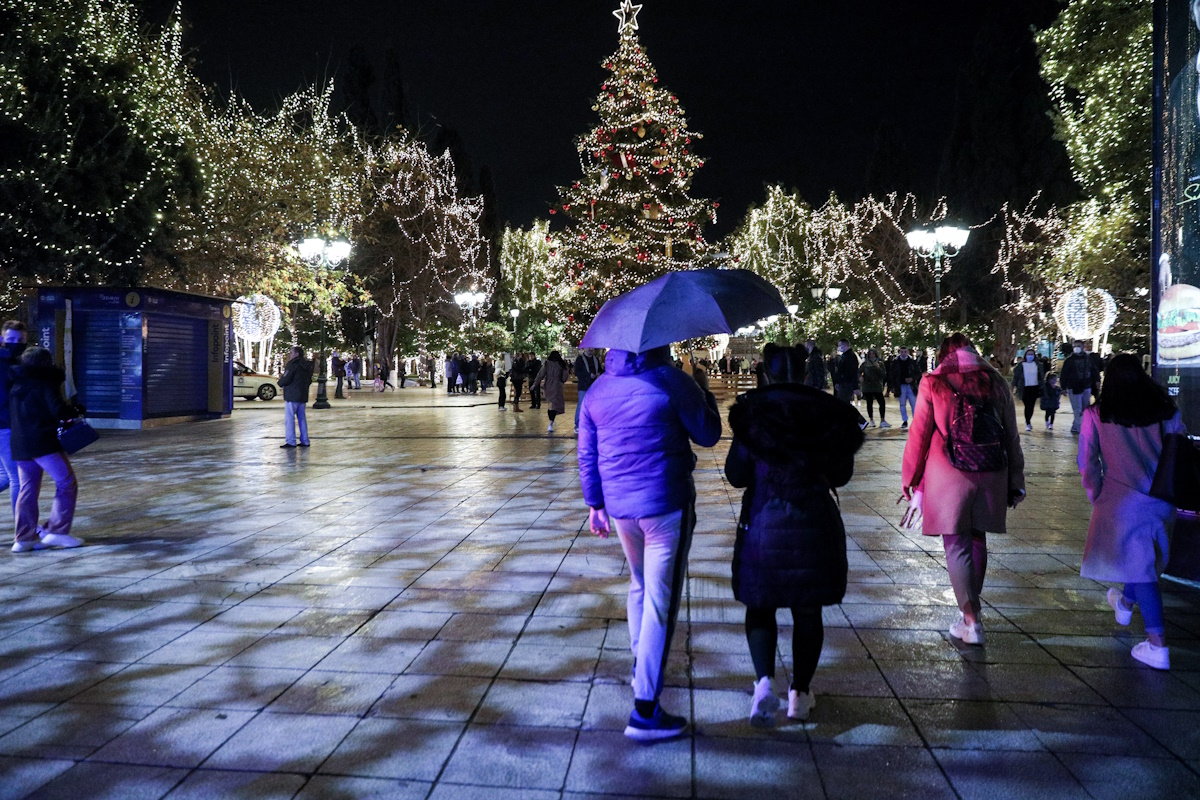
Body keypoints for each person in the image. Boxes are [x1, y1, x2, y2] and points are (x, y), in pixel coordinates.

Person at [578, 346, 721, 741]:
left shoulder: (597, 390)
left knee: (639, 584)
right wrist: (702, 388)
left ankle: (643, 659)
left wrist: (595, 505)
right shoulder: (672, 381)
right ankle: (645, 709)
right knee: (661, 597)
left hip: (621, 506)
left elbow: (586, 452)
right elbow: (709, 433)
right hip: (665, 504)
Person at [725, 345, 864, 726]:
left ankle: (764, 685)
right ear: (805, 374)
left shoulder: (753, 415)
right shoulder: (824, 414)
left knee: (761, 604)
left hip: (764, 526)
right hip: (813, 523)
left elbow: (736, 475)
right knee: (807, 609)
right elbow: (841, 474)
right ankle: (800, 694)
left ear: (766, 374)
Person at [901, 333, 1025, 645]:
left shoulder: (934, 381)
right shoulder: (996, 381)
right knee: (977, 539)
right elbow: (1011, 435)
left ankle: (972, 620)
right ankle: (970, 613)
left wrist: (912, 480)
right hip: (992, 469)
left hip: (950, 472)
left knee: (956, 544)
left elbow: (920, 433)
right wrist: (1016, 479)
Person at [1078, 354, 1187, 670]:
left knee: (1143, 572)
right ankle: (1124, 604)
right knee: (1143, 562)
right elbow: (1179, 451)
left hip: (1121, 504)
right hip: (1162, 501)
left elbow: (1087, 462)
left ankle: (1157, 646)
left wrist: (1096, 494)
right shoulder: (1166, 412)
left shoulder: (1097, 414)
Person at [8, 347, 83, 553]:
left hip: (20, 444)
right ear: (46, 363)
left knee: (27, 489)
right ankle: (58, 531)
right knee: (67, 483)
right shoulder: (46, 382)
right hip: (42, 443)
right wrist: (74, 413)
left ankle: (24, 538)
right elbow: (58, 410)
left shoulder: (16, 384)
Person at [0, 322, 28, 512]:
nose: (16, 343)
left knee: (4, 477)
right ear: (2, 339)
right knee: (17, 478)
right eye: (11, 339)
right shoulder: (6, 364)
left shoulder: (17, 362)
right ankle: (23, 530)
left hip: (7, 424)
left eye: (20, 339)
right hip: (5, 425)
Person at [277, 347, 313, 447]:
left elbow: (286, 378)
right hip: (302, 394)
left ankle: (291, 441)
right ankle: (305, 440)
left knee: (289, 419)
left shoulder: (293, 364)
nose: (290, 354)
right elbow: (309, 380)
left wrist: (280, 382)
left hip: (292, 395)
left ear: (297, 354)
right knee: (302, 418)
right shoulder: (307, 365)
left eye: (291, 352)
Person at [1061, 340, 1097, 435]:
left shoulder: (1088, 359)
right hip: (1074, 387)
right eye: (1075, 346)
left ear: (1082, 346)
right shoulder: (1069, 360)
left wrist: (1096, 382)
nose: (1076, 347)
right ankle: (1079, 427)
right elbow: (1064, 374)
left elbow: (1094, 371)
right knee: (1077, 408)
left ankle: (1077, 425)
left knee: (1085, 408)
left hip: (1086, 386)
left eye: (1078, 345)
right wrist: (1063, 387)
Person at [535, 351, 569, 433]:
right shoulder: (562, 364)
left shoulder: (547, 364)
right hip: (558, 386)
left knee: (550, 404)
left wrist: (536, 383)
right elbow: (565, 377)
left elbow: (541, 374)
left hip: (549, 385)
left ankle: (551, 422)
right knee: (555, 404)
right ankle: (551, 422)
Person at [1012, 347, 1045, 432]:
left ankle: (1028, 421)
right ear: (1025, 355)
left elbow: (1041, 377)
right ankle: (1028, 422)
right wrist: (1013, 386)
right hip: (1024, 388)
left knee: (1031, 406)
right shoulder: (1020, 366)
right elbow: (1016, 377)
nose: (1030, 356)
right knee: (1027, 405)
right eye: (1028, 354)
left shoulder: (1038, 365)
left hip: (1034, 387)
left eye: (1032, 354)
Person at [889, 346, 920, 429]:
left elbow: (918, 373)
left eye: (905, 352)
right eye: (902, 352)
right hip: (900, 385)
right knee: (902, 404)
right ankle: (905, 420)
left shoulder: (912, 362)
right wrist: (892, 386)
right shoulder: (895, 362)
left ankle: (916, 420)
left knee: (913, 403)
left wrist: (912, 378)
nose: (903, 353)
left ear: (908, 352)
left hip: (910, 385)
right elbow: (892, 375)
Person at [859, 349, 890, 428]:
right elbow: (859, 372)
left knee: (881, 403)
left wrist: (878, 368)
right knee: (869, 403)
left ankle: (882, 420)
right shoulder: (865, 364)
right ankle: (871, 419)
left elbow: (883, 375)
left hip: (877, 386)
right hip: (867, 386)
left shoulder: (880, 363)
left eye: (873, 353)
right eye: (870, 354)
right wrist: (860, 377)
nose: (871, 355)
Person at [575, 348, 603, 430]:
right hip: (583, 386)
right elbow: (577, 372)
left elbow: (600, 370)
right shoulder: (580, 359)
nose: (590, 349)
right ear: (585, 349)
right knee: (581, 405)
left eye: (592, 348)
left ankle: (591, 423)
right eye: (589, 347)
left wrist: (599, 374)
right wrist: (588, 375)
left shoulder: (595, 359)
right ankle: (578, 424)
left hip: (594, 386)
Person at [831, 339, 859, 404]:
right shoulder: (845, 356)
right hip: (843, 383)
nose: (839, 347)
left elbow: (853, 372)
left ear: (845, 345)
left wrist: (855, 387)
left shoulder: (850, 357)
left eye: (840, 345)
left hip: (846, 384)